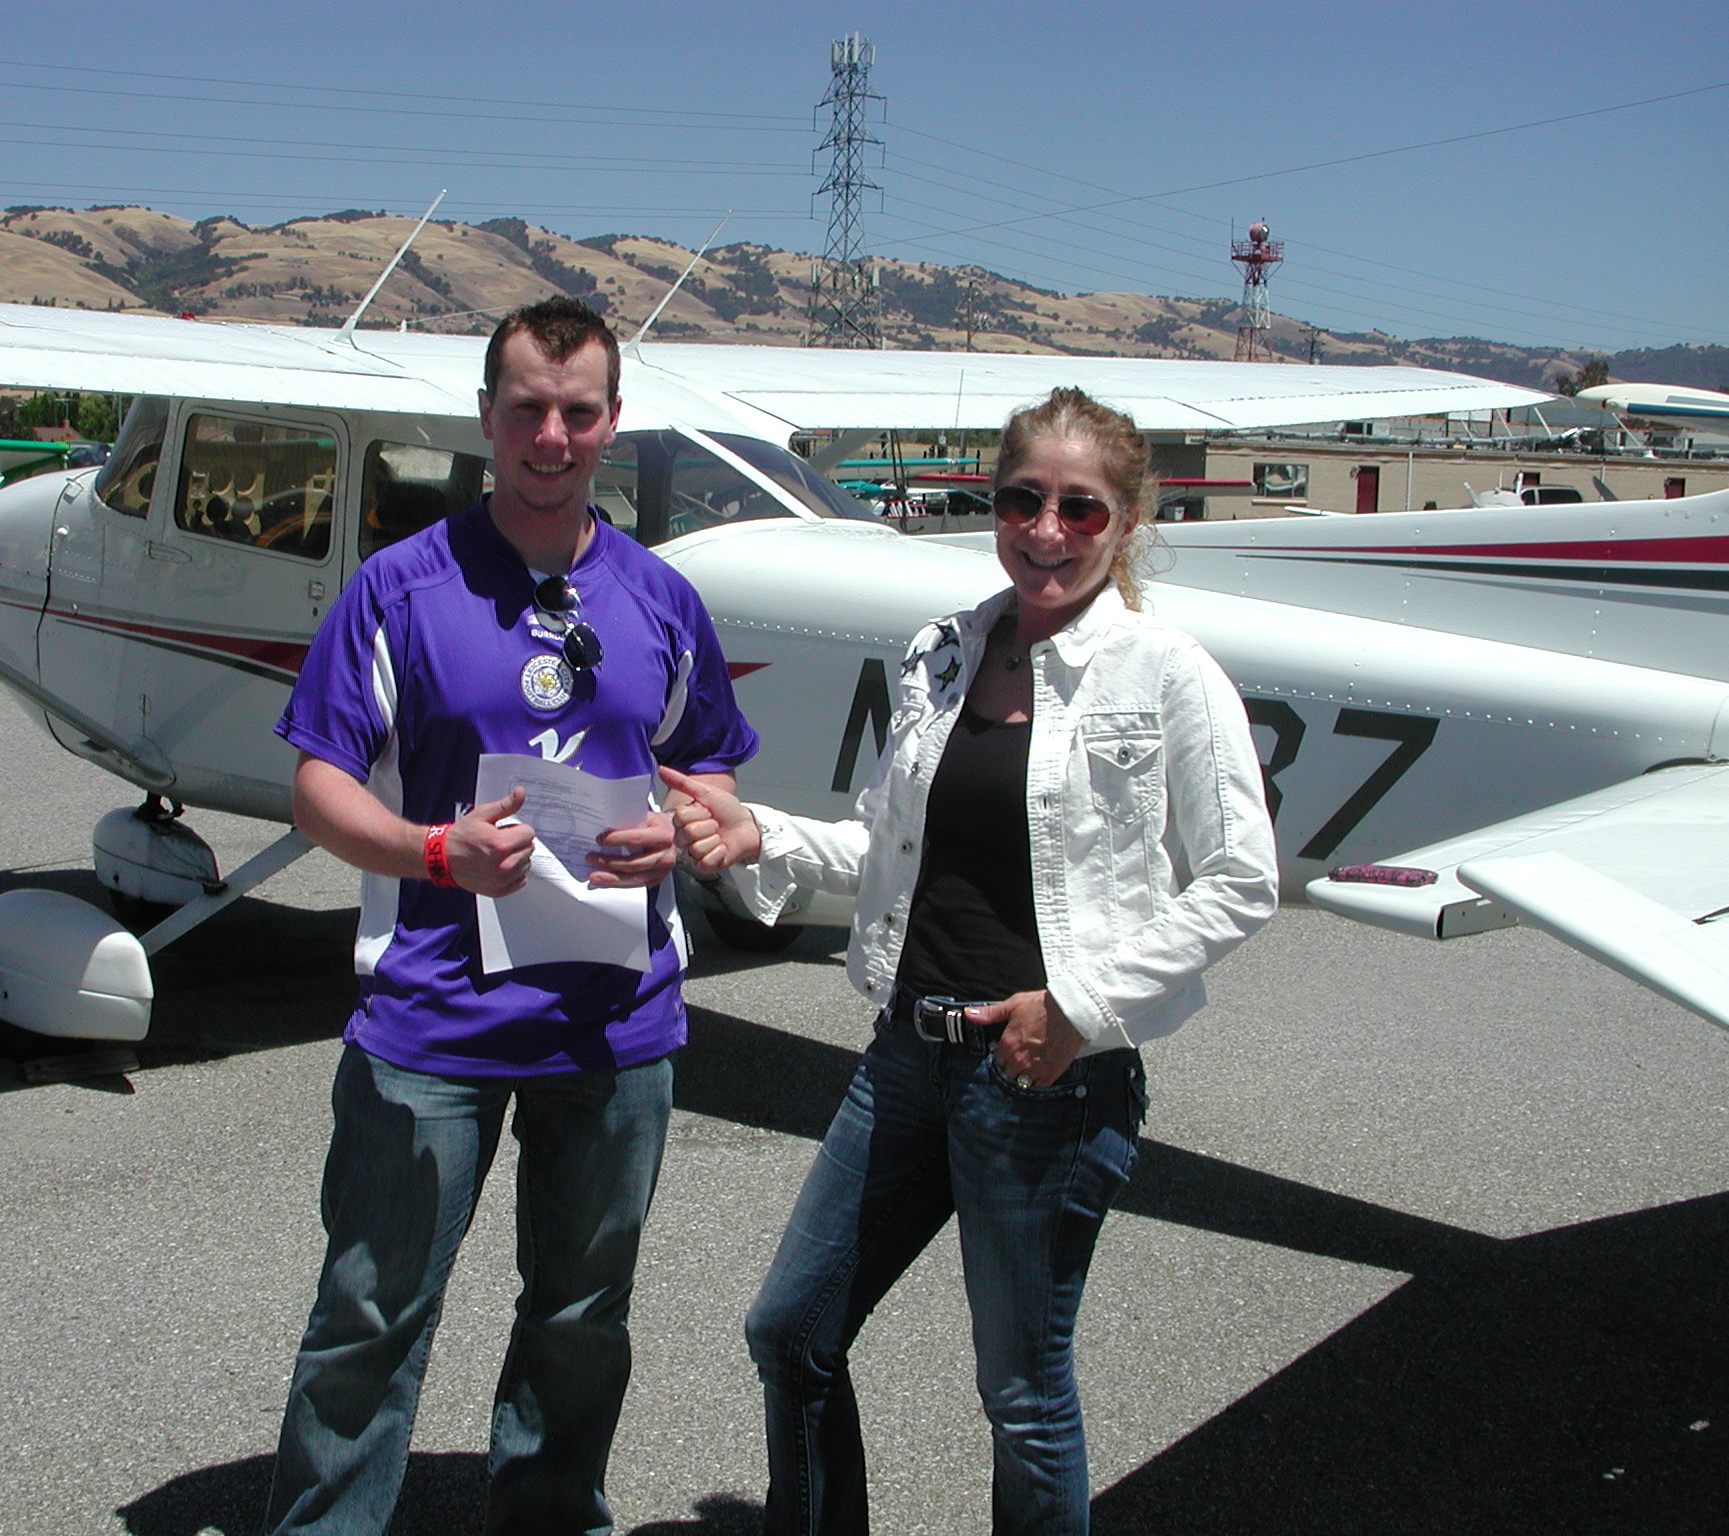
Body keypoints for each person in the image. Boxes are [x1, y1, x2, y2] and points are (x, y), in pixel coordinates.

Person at [661, 387, 1278, 1535]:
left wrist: (1081, 1008)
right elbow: (888, 847)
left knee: (1021, 1396)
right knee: (789, 1330)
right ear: (991, 506)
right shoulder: (943, 651)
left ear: (1127, 523)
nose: (1046, 531)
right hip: (904, 1052)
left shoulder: (1164, 674)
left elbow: (1241, 879)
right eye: (1021, 500)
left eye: (1079, 510)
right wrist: (761, 837)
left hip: (1043, 1080)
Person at [265, 296, 758, 1536]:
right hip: (432, 1019)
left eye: (577, 412)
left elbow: (710, 771)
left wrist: (695, 832)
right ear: (485, 417)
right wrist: (432, 849)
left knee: (582, 1318)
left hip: (613, 1020)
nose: (551, 435)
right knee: (369, 1316)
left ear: (610, 424)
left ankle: (547, 1517)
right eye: (527, 409)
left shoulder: (657, 597)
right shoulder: (397, 588)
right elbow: (317, 781)